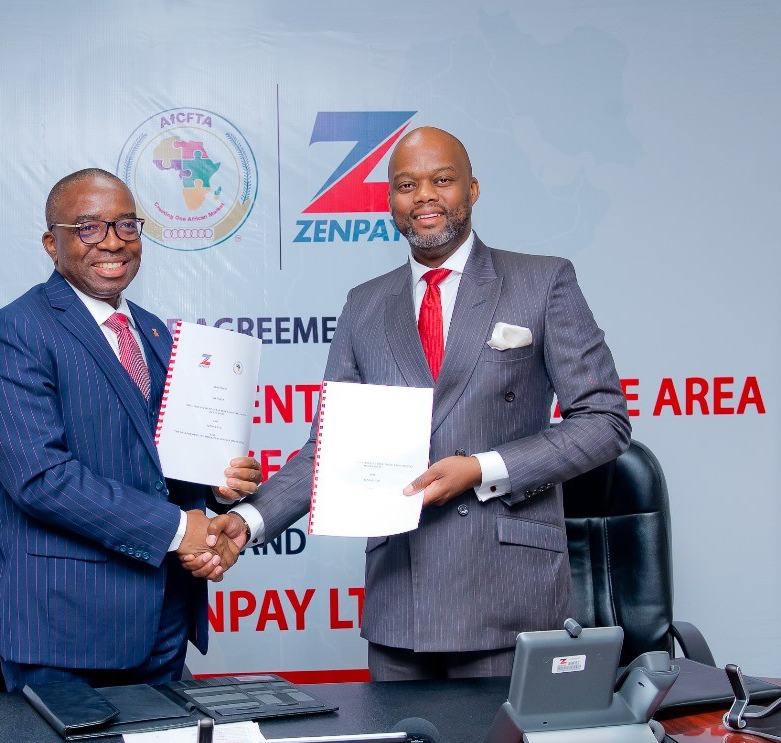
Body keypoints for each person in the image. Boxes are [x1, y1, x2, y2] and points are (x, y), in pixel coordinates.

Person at [191, 127, 631, 680]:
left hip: (507, 591)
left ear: (472, 189)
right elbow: (328, 449)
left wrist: (481, 469)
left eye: (441, 180)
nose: (424, 196)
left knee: (501, 742)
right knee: (400, 741)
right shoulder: (365, 304)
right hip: (401, 600)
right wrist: (248, 520)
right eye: (406, 185)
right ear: (390, 200)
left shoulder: (541, 282)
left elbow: (604, 421)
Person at [0, 168, 259, 690]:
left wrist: (216, 485)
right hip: (63, 628)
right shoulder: (14, 331)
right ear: (51, 244)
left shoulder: (154, 332)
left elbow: (161, 463)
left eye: (126, 225)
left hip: (163, 618)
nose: (112, 242)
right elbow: (41, 479)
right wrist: (180, 530)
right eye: (88, 227)